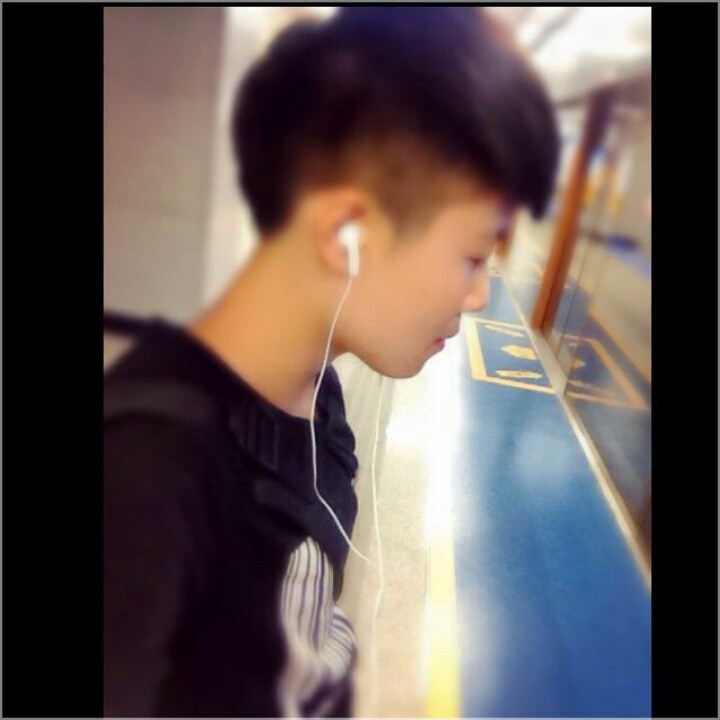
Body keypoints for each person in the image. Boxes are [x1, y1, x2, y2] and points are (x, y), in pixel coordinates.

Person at [103, 6, 559, 717]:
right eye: (473, 257)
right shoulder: (149, 478)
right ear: (347, 233)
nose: (478, 298)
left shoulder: (317, 397)